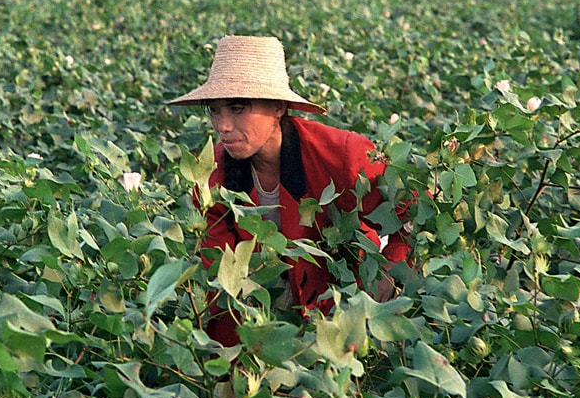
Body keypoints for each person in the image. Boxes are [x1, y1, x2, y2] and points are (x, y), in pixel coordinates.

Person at [169, 35, 412, 346]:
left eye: (237, 108)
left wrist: (389, 277)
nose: (223, 125)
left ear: (279, 107)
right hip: (267, 312)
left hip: (347, 306)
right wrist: (236, 365)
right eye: (214, 111)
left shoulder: (342, 155)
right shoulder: (212, 176)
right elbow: (224, 283)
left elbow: (414, 213)